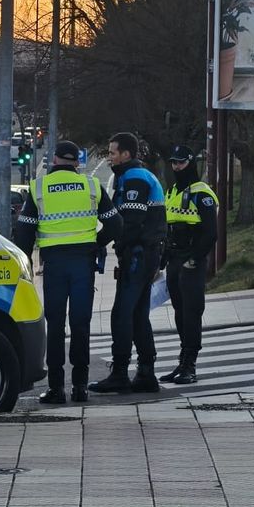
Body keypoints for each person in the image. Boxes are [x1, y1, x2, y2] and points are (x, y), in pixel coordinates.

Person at [13, 140, 120, 405]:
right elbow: (116, 224)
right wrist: (96, 243)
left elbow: (24, 233)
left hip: (55, 266)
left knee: (57, 326)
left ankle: (57, 389)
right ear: (77, 162)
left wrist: (22, 264)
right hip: (83, 263)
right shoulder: (91, 186)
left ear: (55, 161)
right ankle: (81, 387)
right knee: (81, 325)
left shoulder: (40, 188)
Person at [89, 131, 166, 394]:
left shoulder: (134, 178)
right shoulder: (139, 176)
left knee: (122, 313)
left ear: (126, 154)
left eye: (112, 153)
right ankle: (146, 372)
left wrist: (115, 243)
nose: (110, 157)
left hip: (138, 253)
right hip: (146, 253)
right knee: (137, 314)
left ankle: (121, 372)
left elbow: (130, 223)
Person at [162, 144, 219, 384]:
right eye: (174, 163)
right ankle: (182, 361)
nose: (176, 167)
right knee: (179, 313)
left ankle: (190, 366)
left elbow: (210, 233)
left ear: (191, 163)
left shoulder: (201, 193)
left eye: (181, 163)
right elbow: (167, 227)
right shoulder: (172, 190)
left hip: (191, 260)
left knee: (192, 313)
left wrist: (195, 258)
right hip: (174, 259)